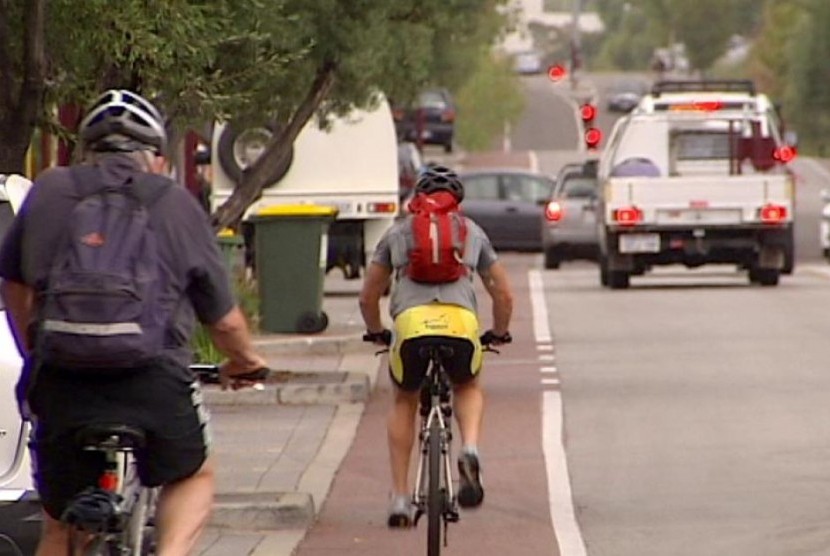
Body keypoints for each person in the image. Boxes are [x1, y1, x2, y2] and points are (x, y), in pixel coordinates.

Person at [0, 89, 268, 556]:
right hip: (152, 382)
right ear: (158, 158)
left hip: (62, 385)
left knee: (59, 525)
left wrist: (36, 354)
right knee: (193, 473)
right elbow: (224, 322)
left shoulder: (48, 192)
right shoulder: (173, 202)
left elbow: (15, 286)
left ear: (86, 150)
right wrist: (245, 362)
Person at [358, 165, 514, 527]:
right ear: (456, 201)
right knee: (467, 385)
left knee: (404, 398)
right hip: (460, 324)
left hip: (411, 326)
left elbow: (368, 295)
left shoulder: (398, 233)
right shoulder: (471, 232)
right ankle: (470, 447)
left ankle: (399, 500)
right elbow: (503, 293)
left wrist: (377, 330)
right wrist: (499, 331)